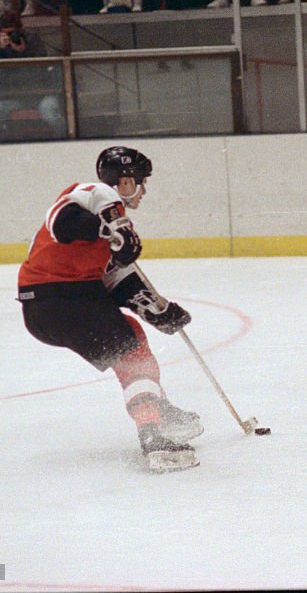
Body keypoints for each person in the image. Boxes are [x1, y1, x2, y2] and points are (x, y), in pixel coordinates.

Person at [17, 147, 201, 473]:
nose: (142, 191)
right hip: (58, 299)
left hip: (61, 303)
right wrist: (112, 228)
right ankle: (152, 432)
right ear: (126, 181)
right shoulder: (95, 193)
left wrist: (159, 310)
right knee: (131, 351)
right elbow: (60, 222)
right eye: (140, 183)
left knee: (132, 337)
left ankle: (156, 407)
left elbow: (120, 285)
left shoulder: (108, 238)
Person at [0, 10, 66, 139]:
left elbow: (41, 68)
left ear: (20, 29)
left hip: (41, 93)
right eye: (6, 33)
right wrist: (1, 51)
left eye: (13, 33)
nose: (11, 37)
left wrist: (24, 51)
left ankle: (63, 140)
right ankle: (0, 143)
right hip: (15, 96)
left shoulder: (33, 40)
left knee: (51, 113)